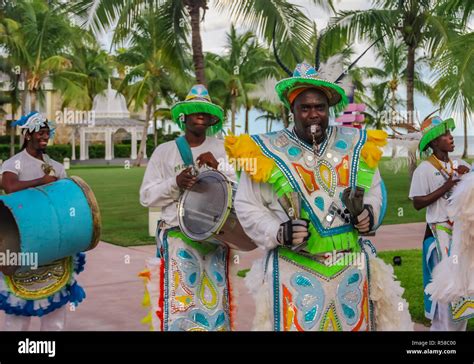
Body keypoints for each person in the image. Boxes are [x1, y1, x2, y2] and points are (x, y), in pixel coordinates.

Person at [226, 62, 413, 331]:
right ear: (292, 110)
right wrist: (278, 232)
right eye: (305, 107)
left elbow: (372, 189)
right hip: (294, 267)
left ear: (329, 109)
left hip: (350, 267)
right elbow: (247, 204)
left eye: (320, 107)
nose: (313, 114)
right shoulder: (264, 150)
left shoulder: (356, 144)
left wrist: (369, 213)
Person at [139, 85, 236, 331]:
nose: (200, 116)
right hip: (177, 238)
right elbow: (146, 196)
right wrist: (175, 183)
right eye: (195, 111)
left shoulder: (222, 149)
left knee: (215, 307)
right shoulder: (165, 151)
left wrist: (219, 170)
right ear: (184, 116)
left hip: (215, 238)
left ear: (213, 118)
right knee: (180, 305)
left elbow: (240, 194)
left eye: (205, 111)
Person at [0, 111, 85, 331]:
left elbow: (67, 202)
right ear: (28, 134)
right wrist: (42, 181)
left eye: (48, 132)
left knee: (55, 317)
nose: (45, 136)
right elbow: (8, 187)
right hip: (21, 245)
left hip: (54, 247)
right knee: (17, 317)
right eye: (40, 132)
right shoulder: (14, 163)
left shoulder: (57, 167)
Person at [409, 115, 471, 331]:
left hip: (460, 235)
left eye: (450, 133)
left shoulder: (461, 164)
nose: (451, 137)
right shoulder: (424, 170)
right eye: (445, 135)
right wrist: (448, 185)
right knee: (446, 290)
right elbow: (417, 203)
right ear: (434, 142)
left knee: (463, 287)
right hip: (439, 234)